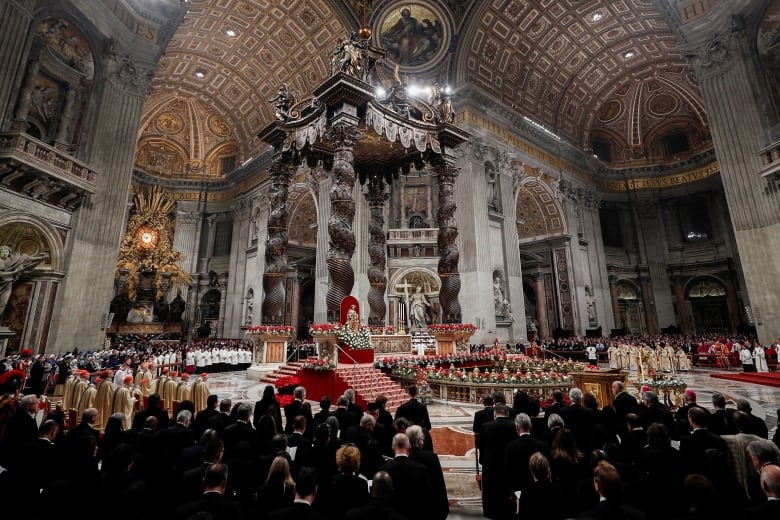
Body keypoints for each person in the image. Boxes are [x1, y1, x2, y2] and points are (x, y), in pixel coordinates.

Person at [0, 245, 47, 320]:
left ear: (9, 252)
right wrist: (13, 272)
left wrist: (40, 258)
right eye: (2, 252)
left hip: (7, 284)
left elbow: (26, 258)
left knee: (4, 302)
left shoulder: (13, 259)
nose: (5, 253)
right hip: (1, 284)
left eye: (6, 251)